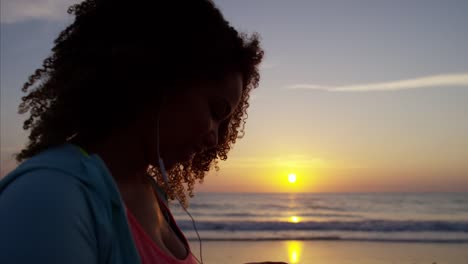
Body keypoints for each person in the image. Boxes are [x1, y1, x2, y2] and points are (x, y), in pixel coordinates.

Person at [0, 0, 287, 263]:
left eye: (223, 124)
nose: (215, 138)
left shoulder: (150, 193)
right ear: (161, 79)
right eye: (215, 111)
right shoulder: (50, 196)